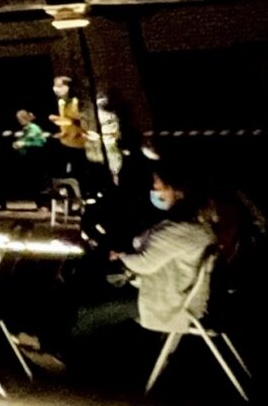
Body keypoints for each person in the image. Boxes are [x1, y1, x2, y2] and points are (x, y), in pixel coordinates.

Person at [59, 162, 216, 367]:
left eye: (160, 186)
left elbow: (145, 264)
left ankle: (64, 351)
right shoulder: (196, 227)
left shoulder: (180, 230)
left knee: (92, 309)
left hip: (165, 299)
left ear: (178, 191)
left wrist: (122, 257)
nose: (155, 191)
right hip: (170, 292)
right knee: (94, 289)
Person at [49, 76, 89, 177]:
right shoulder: (61, 102)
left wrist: (60, 120)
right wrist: (62, 130)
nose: (56, 88)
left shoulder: (75, 102)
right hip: (67, 141)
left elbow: (77, 120)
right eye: (55, 86)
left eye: (59, 86)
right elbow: (65, 120)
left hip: (78, 142)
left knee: (81, 170)